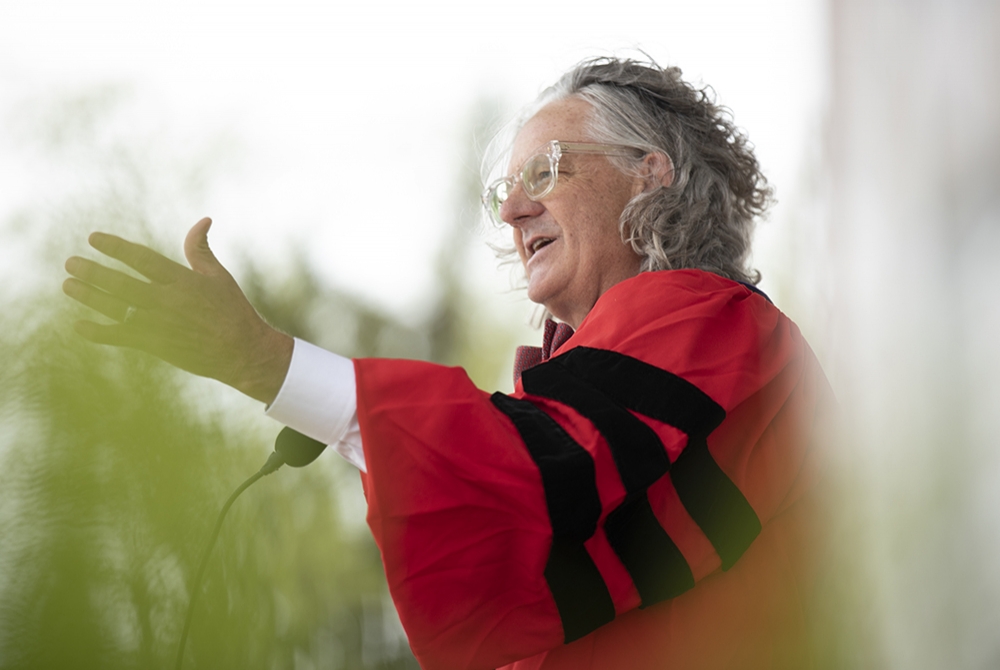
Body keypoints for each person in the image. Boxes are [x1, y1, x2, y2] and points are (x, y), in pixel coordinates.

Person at [63, 57, 832, 669]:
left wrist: (271, 366)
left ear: (650, 173)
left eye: (545, 172)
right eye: (505, 187)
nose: (509, 210)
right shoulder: (613, 364)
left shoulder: (722, 329)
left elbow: (537, 485)